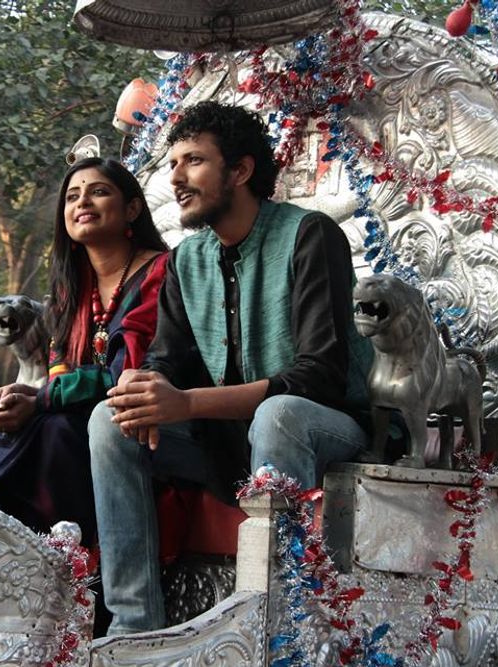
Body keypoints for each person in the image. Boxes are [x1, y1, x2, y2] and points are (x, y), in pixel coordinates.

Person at [87, 101, 375, 634]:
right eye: (173, 164)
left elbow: (320, 375)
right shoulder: (186, 260)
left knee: (280, 414)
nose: (176, 178)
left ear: (240, 171)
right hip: (227, 444)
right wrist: (143, 384)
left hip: (327, 432)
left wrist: (186, 403)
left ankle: (277, 628)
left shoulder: (310, 235)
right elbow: (167, 359)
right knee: (110, 420)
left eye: (193, 161)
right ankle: (134, 630)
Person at [0, 156, 169, 549]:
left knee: (56, 430)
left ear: (132, 209)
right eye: (72, 197)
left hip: (148, 420)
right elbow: (60, 371)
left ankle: (63, 559)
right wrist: (20, 395)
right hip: (79, 414)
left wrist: (40, 401)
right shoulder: (71, 289)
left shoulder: (160, 273)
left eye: (98, 192)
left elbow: (128, 373)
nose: (82, 201)